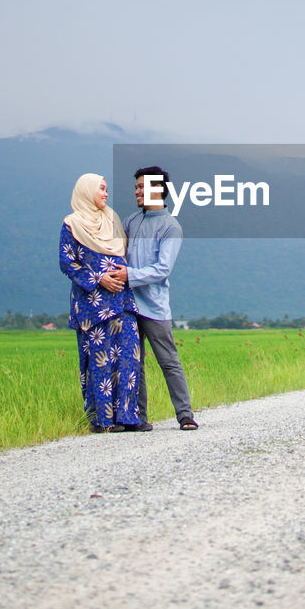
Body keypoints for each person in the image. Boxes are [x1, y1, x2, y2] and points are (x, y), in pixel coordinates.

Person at [104, 165, 198, 431]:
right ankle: (137, 417)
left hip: (154, 306)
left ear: (158, 189)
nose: (136, 191)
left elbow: (162, 269)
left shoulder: (171, 227)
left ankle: (185, 416)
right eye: (135, 187)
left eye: (141, 187)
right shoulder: (132, 222)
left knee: (168, 361)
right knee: (134, 362)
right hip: (128, 306)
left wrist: (128, 275)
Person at [58, 173, 142, 433]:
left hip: (122, 301)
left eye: (107, 190)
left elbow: (125, 255)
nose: (106, 194)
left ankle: (127, 417)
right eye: (101, 189)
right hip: (92, 305)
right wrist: (99, 278)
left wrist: (122, 276)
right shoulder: (72, 224)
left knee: (129, 358)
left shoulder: (113, 220)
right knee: (99, 360)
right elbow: (67, 262)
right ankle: (103, 420)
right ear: (86, 191)